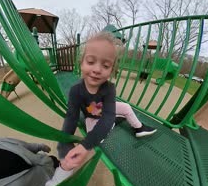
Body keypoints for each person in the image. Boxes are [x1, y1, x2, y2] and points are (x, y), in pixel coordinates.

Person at [58, 31, 157, 168]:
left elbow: (108, 116)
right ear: (81, 63)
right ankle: (115, 121)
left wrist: (86, 144)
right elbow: (71, 118)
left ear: (111, 70)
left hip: (105, 113)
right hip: (92, 117)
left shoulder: (109, 88)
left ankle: (139, 128)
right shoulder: (76, 91)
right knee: (97, 134)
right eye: (91, 61)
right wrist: (65, 144)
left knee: (125, 108)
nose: (97, 69)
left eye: (105, 66)